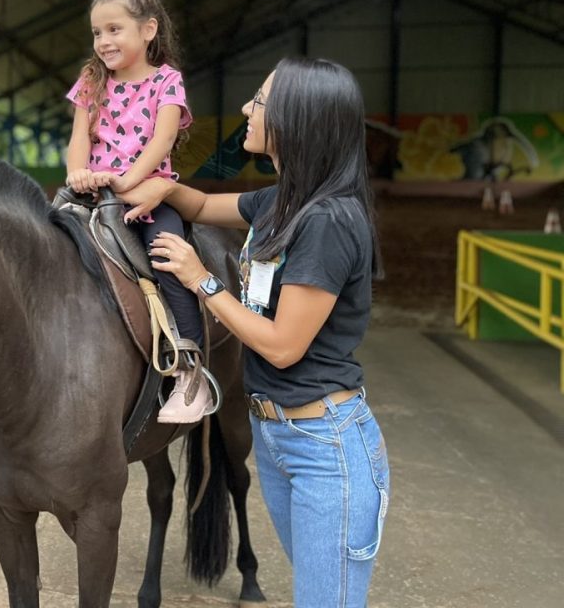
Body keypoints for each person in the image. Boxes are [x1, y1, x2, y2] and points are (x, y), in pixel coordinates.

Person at [122, 56, 390, 608]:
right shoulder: (281, 203)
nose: (246, 108)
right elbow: (199, 204)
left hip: (324, 445)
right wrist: (157, 186)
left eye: (260, 102)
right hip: (279, 436)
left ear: (298, 120)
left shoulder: (327, 222)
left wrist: (202, 281)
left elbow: (283, 345)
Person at [64, 0, 213, 422]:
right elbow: (77, 140)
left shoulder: (166, 81)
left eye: (114, 30)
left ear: (148, 30)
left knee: (168, 258)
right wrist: (76, 172)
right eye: (97, 32)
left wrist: (128, 181)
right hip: (94, 191)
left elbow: (162, 140)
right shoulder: (91, 81)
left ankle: (191, 372)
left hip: (146, 194)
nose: (103, 41)